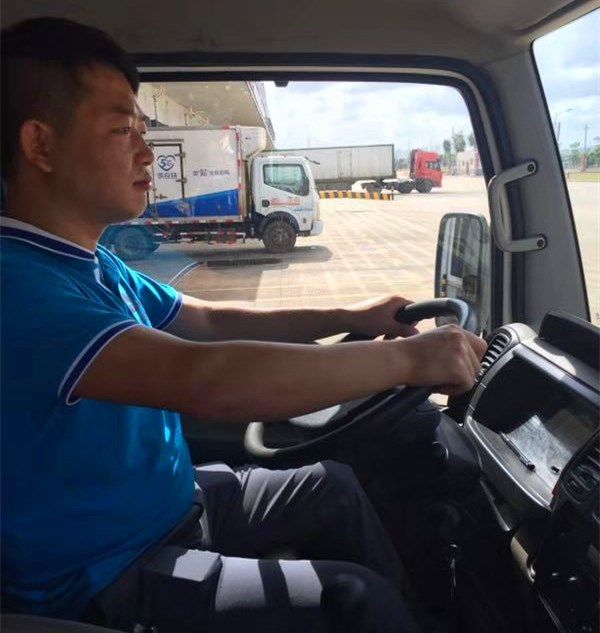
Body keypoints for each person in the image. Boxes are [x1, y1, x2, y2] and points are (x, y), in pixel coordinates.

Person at [0, 17, 487, 632]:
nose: (147, 153)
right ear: (40, 146)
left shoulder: (90, 261)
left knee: (335, 486)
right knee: (358, 600)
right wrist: (408, 359)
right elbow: (202, 378)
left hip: (175, 505)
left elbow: (207, 321)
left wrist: (350, 314)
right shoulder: (17, 285)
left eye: (143, 130)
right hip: (106, 574)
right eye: (123, 130)